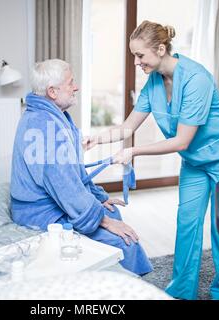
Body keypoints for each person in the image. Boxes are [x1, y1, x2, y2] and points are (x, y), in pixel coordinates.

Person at [83, 21, 219, 299]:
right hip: (195, 162)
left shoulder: (197, 78)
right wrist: (96, 139)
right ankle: (181, 292)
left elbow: (181, 140)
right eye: (134, 56)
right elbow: (128, 127)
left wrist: (134, 152)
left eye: (140, 56)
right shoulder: (153, 84)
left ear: (161, 49)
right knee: (187, 224)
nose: (137, 62)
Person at [10, 59, 153, 275]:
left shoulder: (53, 117)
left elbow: (73, 173)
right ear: (52, 91)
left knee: (112, 212)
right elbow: (65, 186)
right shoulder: (46, 126)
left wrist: (99, 197)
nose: (76, 87)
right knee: (125, 243)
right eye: (70, 83)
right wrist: (101, 218)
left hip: (52, 202)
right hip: (39, 213)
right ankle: (131, 291)